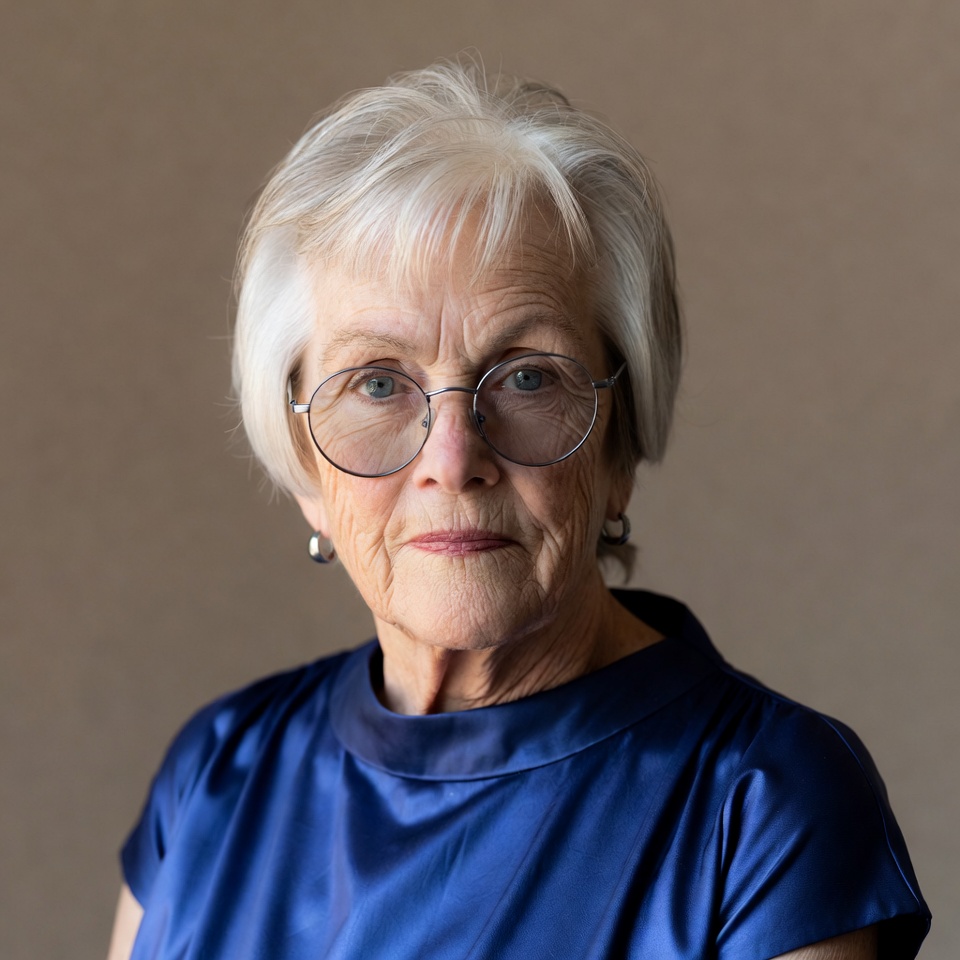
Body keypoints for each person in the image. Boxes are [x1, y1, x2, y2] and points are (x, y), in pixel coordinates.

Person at [107, 59, 930, 960]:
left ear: (619, 445)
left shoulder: (766, 804)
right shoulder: (217, 774)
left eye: (528, 376)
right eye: (378, 383)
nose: (453, 460)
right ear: (305, 462)